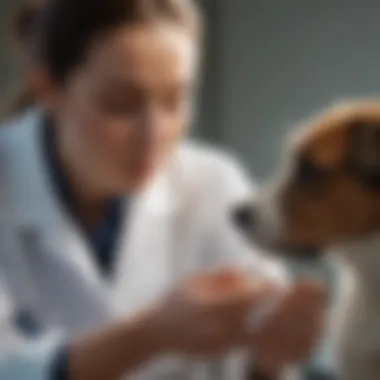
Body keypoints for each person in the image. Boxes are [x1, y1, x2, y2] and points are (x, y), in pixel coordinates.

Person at [0, 0, 324, 379]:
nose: (154, 135)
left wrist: (274, 353)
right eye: (120, 106)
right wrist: (152, 333)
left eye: (174, 100)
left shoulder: (214, 184)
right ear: (47, 89)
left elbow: (263, 367)